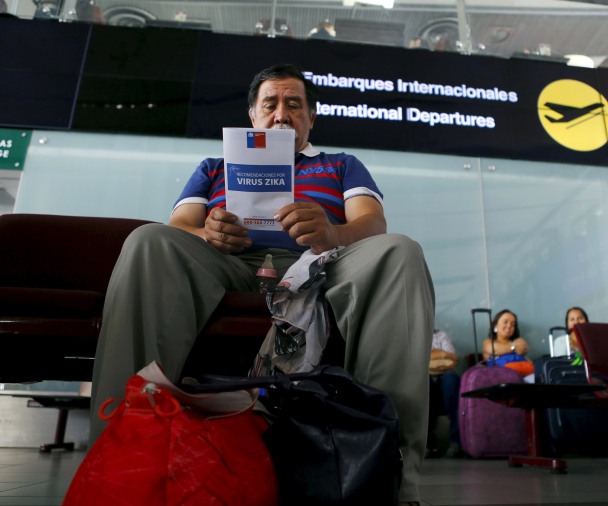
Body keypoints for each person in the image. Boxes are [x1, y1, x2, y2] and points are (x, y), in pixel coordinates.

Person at [89, 63, 435, 505]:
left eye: (295, 105)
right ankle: (120, 458)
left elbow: (372, 222)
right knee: (149, 240)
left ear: (310, 119)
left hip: (322, 263)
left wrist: (333, 234)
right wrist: (208, 234)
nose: (282, 113)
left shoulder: (341, 164)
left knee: (400, 250)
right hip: (228, 261)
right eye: (270, 104)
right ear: (253, 116)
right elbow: (179, 226)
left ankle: (389, 475)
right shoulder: (214, 166)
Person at [427, 328, 461, 458]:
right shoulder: (410, 334)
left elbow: (453, 358)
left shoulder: (441, 335)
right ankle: (427, 443)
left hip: (444, 373)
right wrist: (441, 355)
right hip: (423, 375)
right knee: (423, 382)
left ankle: (456, 441)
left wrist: (430, 355)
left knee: (451, 379)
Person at [481, 309, 533, 379]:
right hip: (502, 380)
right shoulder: (488, 342)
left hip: (526, 376)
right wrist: (513, 347)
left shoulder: (518, 341)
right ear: (495, 326)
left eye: (512, 324)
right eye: (505, 322)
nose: (509, 326)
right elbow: (494, 349)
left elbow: (524, 349)